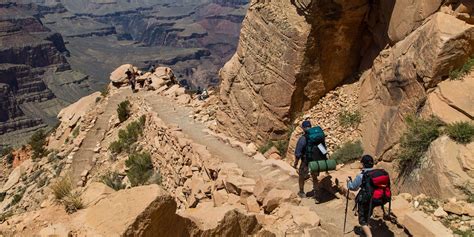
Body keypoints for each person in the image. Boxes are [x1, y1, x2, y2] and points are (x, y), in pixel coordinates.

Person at [293, 120, 324, 203]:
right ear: (310, 126)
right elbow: (323, 149)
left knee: (301, 176)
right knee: (314, 177)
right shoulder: (316, 136)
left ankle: (301, 192)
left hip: (306, 161)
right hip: (316, 160)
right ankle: (317, 195)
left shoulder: (303, 138)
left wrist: (295, 163)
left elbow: (298, 153)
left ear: (303, 128)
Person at [347, 155, 375, 237]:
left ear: (363, 164)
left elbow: (352, 187)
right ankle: (364, 230)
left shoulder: (361, 175)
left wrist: (348, 181)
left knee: (362, 221)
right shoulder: (375, 173)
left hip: (365, 199)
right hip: (374, 198)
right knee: (368, 214)